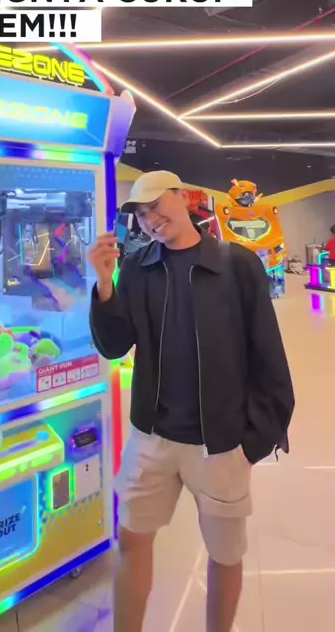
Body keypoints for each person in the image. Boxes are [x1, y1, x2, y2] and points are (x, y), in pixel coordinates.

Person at [89, 171, 294, 632]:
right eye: (142, 214)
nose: (151, 219)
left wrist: (254, 440)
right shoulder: (137, 267)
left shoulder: (237, 265)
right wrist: (105, 285)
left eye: (157, 205)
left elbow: (268, 354)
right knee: (132, 540)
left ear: (183, 198)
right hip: (151, 437)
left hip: (219, 443)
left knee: (224, 554)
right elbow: (115, 345)